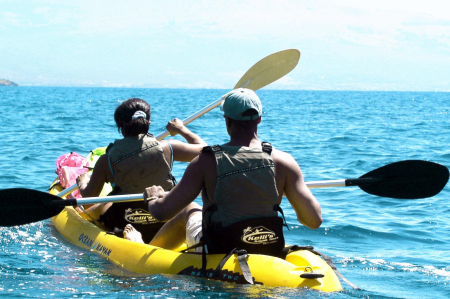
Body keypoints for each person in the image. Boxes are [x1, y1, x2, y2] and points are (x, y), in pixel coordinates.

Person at [124, 89, 322, 257]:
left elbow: (162, 212)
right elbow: (313, 221)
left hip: (219, 249)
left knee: (190, 209)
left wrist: (153, 198)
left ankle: (144, 250)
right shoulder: (284, 162)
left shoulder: (205, 162)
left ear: (227, 120)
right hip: (269, 247)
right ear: (259, 119)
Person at [76, 97, 207, 243]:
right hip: (164, 218)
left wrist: (83, 182)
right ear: (148, 122)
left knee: (102, 205)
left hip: (126, 222)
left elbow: (89, 196)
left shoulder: (107, 160)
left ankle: (81, 217)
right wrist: (181, 129)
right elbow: (207, 151)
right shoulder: (168, 148)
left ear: (120, 124)